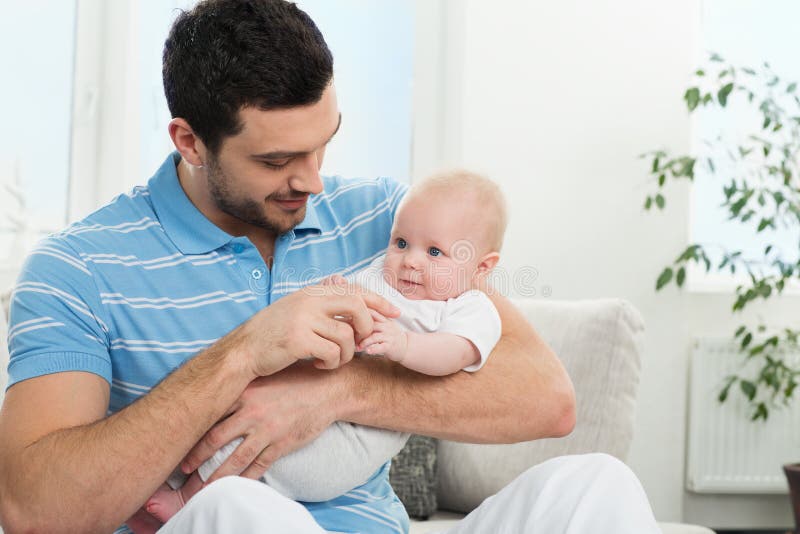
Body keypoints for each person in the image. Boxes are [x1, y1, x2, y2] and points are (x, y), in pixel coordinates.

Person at [0, 1, 661, 533]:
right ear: (189, 141)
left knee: (596, 486)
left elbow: (546, 399)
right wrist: (241, 354)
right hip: (236, 522)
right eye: (275, 161)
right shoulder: (76, 269)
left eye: (325, 145)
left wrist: (340, 392)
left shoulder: (390, 225)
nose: (313, 182)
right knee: (238, 510)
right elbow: (35, 513)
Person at [140, 170, 507, 528]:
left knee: (260, 455)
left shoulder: (470, 309)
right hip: (306, 405)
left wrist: (405, 345)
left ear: (481, 268)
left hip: (355, 440)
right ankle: (177, 494)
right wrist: (329, 292)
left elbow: (455, 354)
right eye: (401, 243)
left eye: (435, 252)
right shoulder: (384, 275)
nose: (410, 260)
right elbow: (343, 295)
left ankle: (188, 499)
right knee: (233, 422)